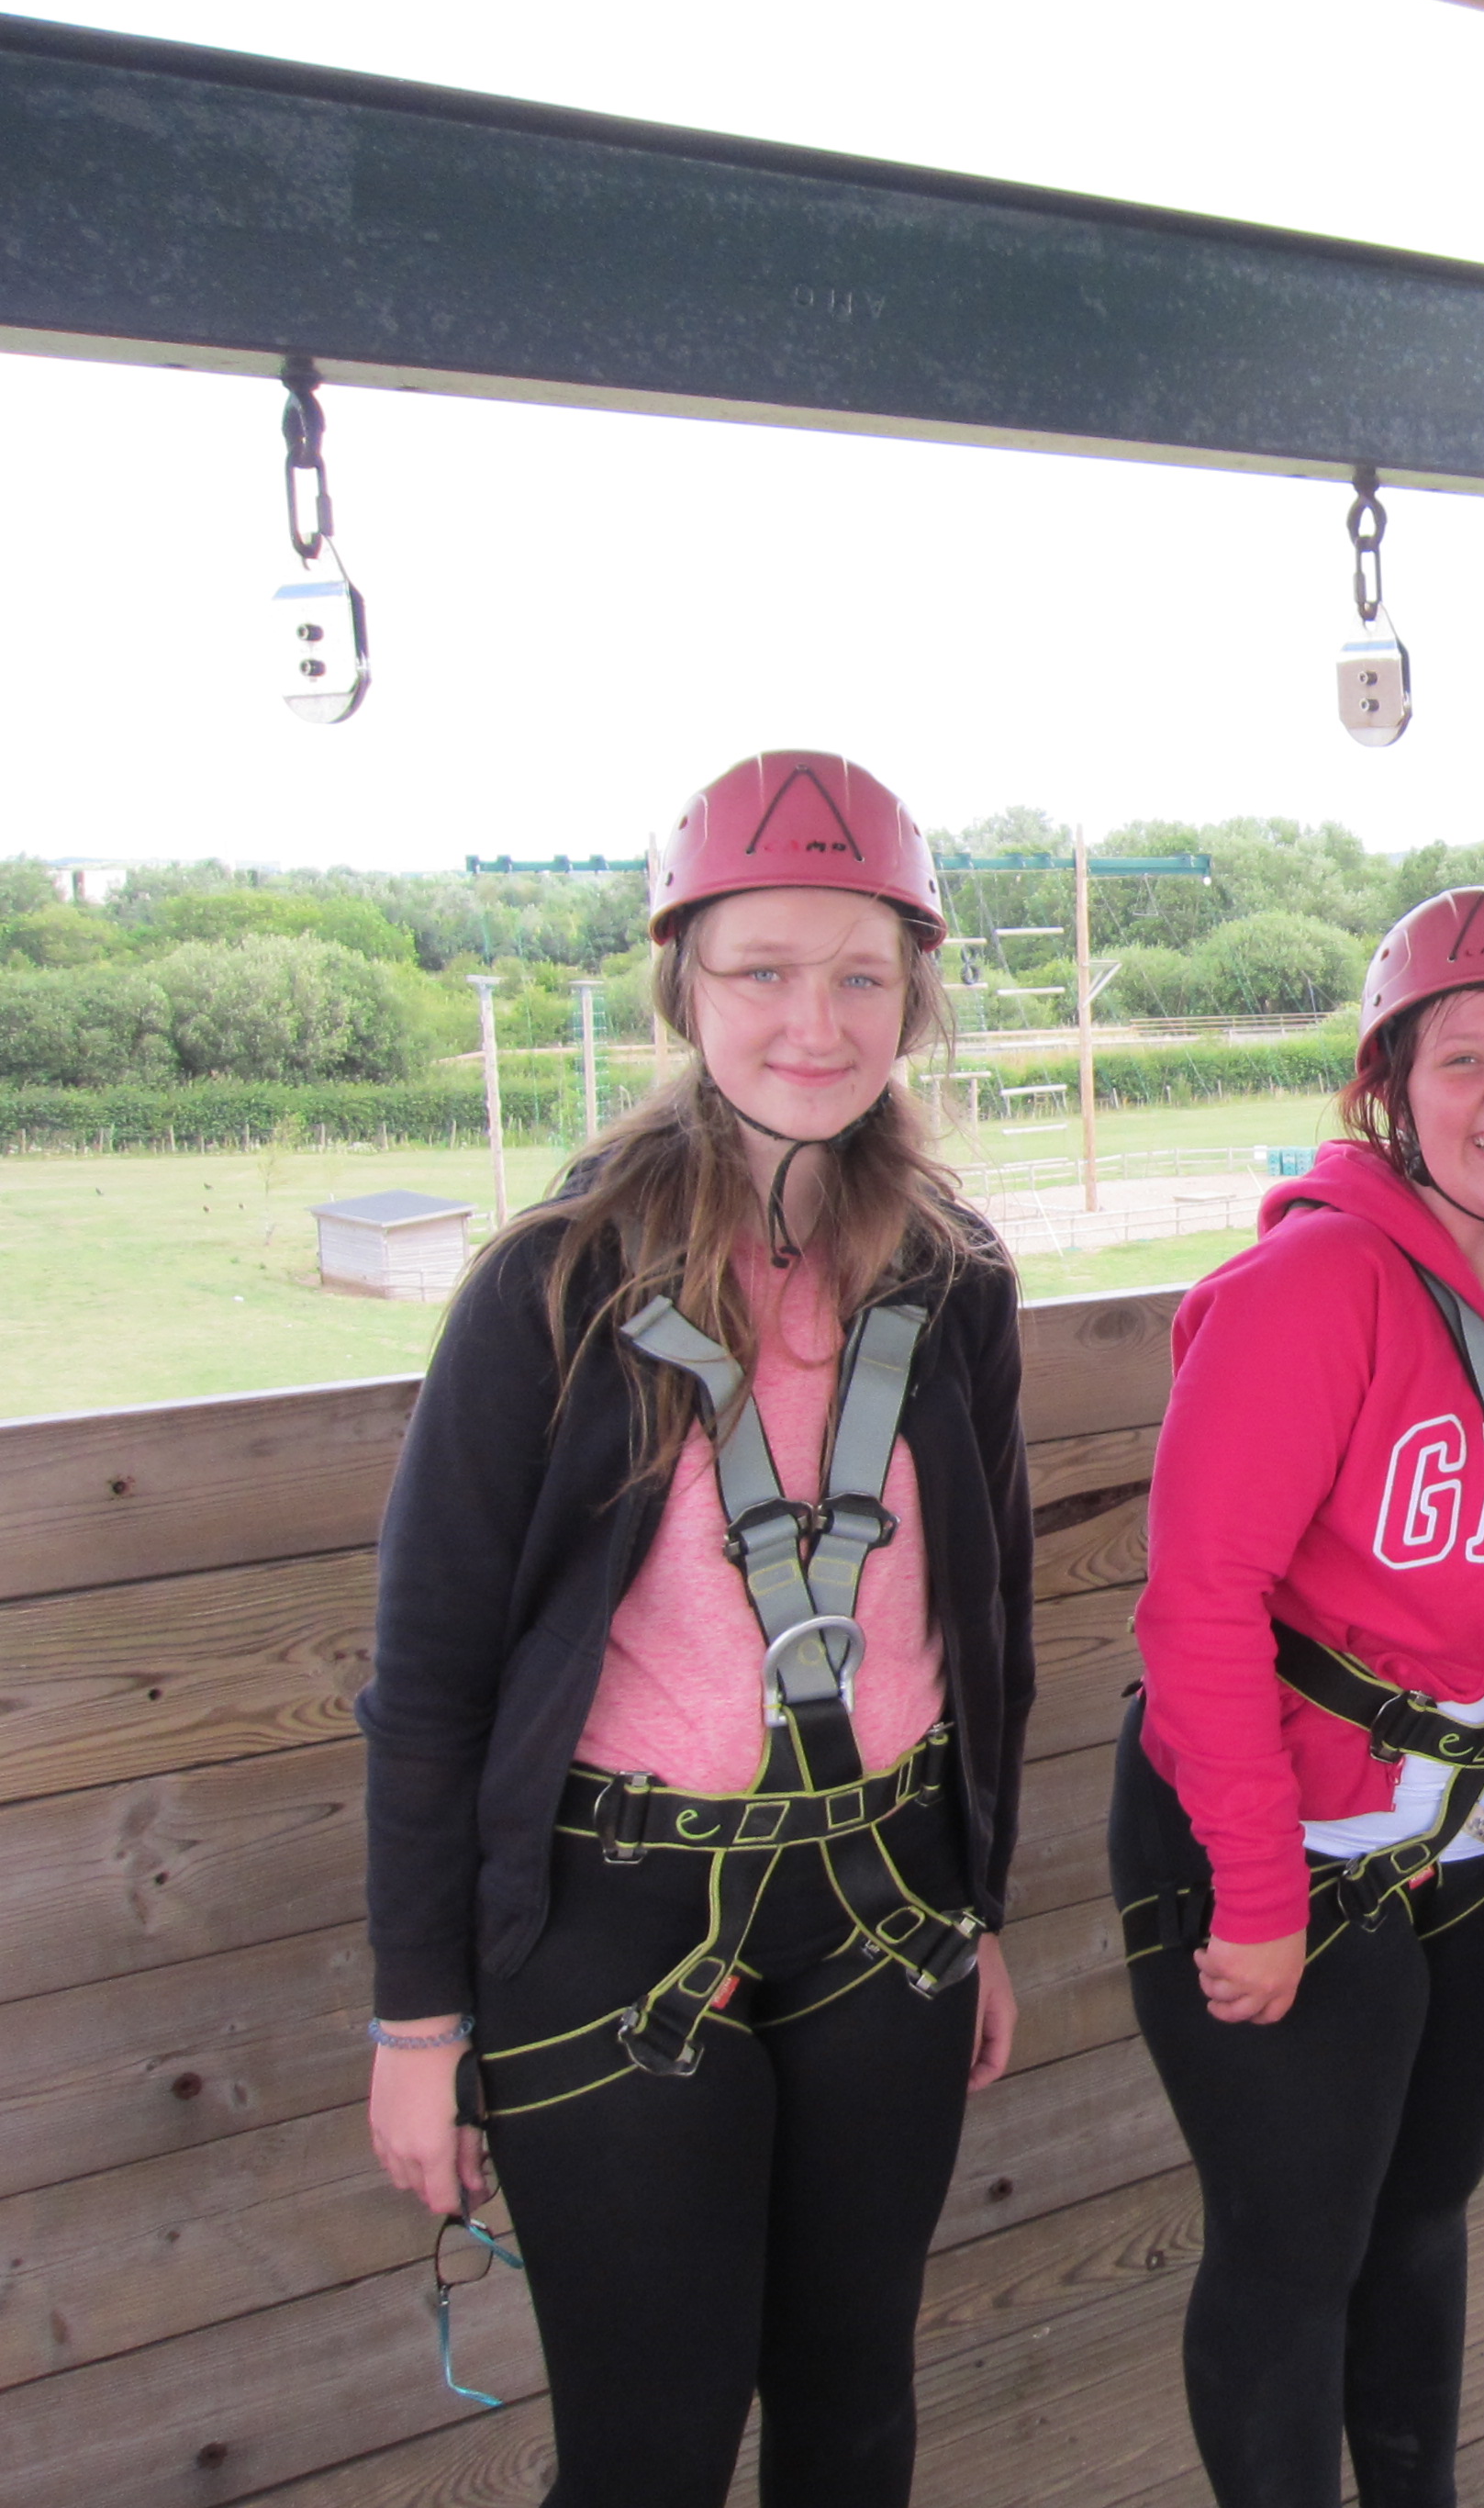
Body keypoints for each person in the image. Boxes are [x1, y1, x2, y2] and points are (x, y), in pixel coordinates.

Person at [357, 750, 1034, 2508]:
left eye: (861, 974)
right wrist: (418, 2024)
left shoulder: (950, 1276)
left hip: (888, 1900)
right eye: (760, 971)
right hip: (612, 1912)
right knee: (650, 2451)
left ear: (914, 995)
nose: (813, 1020)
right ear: (685, 986)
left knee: (854, 2415)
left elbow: (984, 1621)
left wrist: (978, 1896)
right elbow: (429, 1679)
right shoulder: (557, 1286)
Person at [1118, 886, 1484, 2508]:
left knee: (1420, 2223)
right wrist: (1263, 1894)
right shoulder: (1315, 1290)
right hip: (1274, 1846)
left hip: (1471, 1849)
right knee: (1293, 2254)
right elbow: (1194, 1609)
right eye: (1462, 1057)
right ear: (1387, 1092)